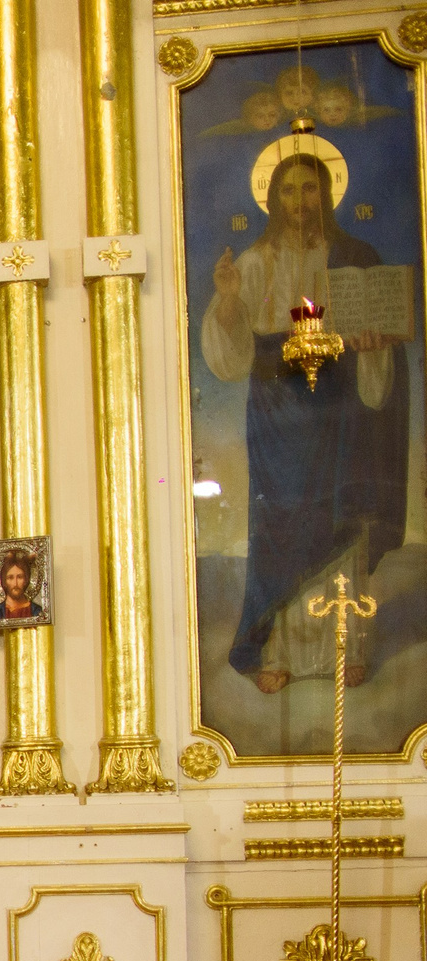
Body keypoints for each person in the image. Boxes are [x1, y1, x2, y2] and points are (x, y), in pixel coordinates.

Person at [201, 149, 409, 691]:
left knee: (341, 515)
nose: (300, 201)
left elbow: (380, 333)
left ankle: (344, 647)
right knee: (281, 523)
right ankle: (273, 647)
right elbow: (230, 357)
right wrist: (229, 301)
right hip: (277, 410)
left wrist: (374, 347)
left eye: (310, 189)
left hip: (339, 410)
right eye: (289, 190)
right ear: (273, 198)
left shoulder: (354, 256)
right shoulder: (254, 263)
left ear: (327, 194)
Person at [0, 548, 43, 625]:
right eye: (10, 578)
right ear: (4, 581)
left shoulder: (37, 612)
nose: (15, 583)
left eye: (20, 577)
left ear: (26, 580)